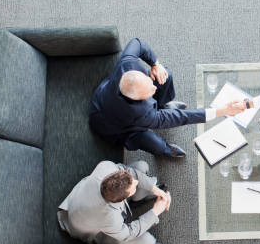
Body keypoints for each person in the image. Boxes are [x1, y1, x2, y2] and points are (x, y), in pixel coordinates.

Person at [89, 38, 244, 157]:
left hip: (106, 96)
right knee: (151, 141)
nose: (154, 87)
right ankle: (166, 150)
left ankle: (161, 105)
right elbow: (181, 117)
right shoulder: (142, 115)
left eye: (149, 81)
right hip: (115, 127)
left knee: (165, 75)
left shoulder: (127, 63)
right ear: (137, 99)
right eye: (149, 92)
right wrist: (222, 110)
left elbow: (138, 43)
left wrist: (156, 64)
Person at [57, 160, 172, 244]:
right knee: (146, 240)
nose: (136, 181)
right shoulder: (108, 218)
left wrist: (153, 188)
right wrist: (155, 211)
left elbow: (130, 172)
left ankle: (139, 198)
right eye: (133, 187)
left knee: (142, 166)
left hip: (84, 201)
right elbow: (128, 234)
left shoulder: (106, 167)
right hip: (94, 228)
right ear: (123, 199)